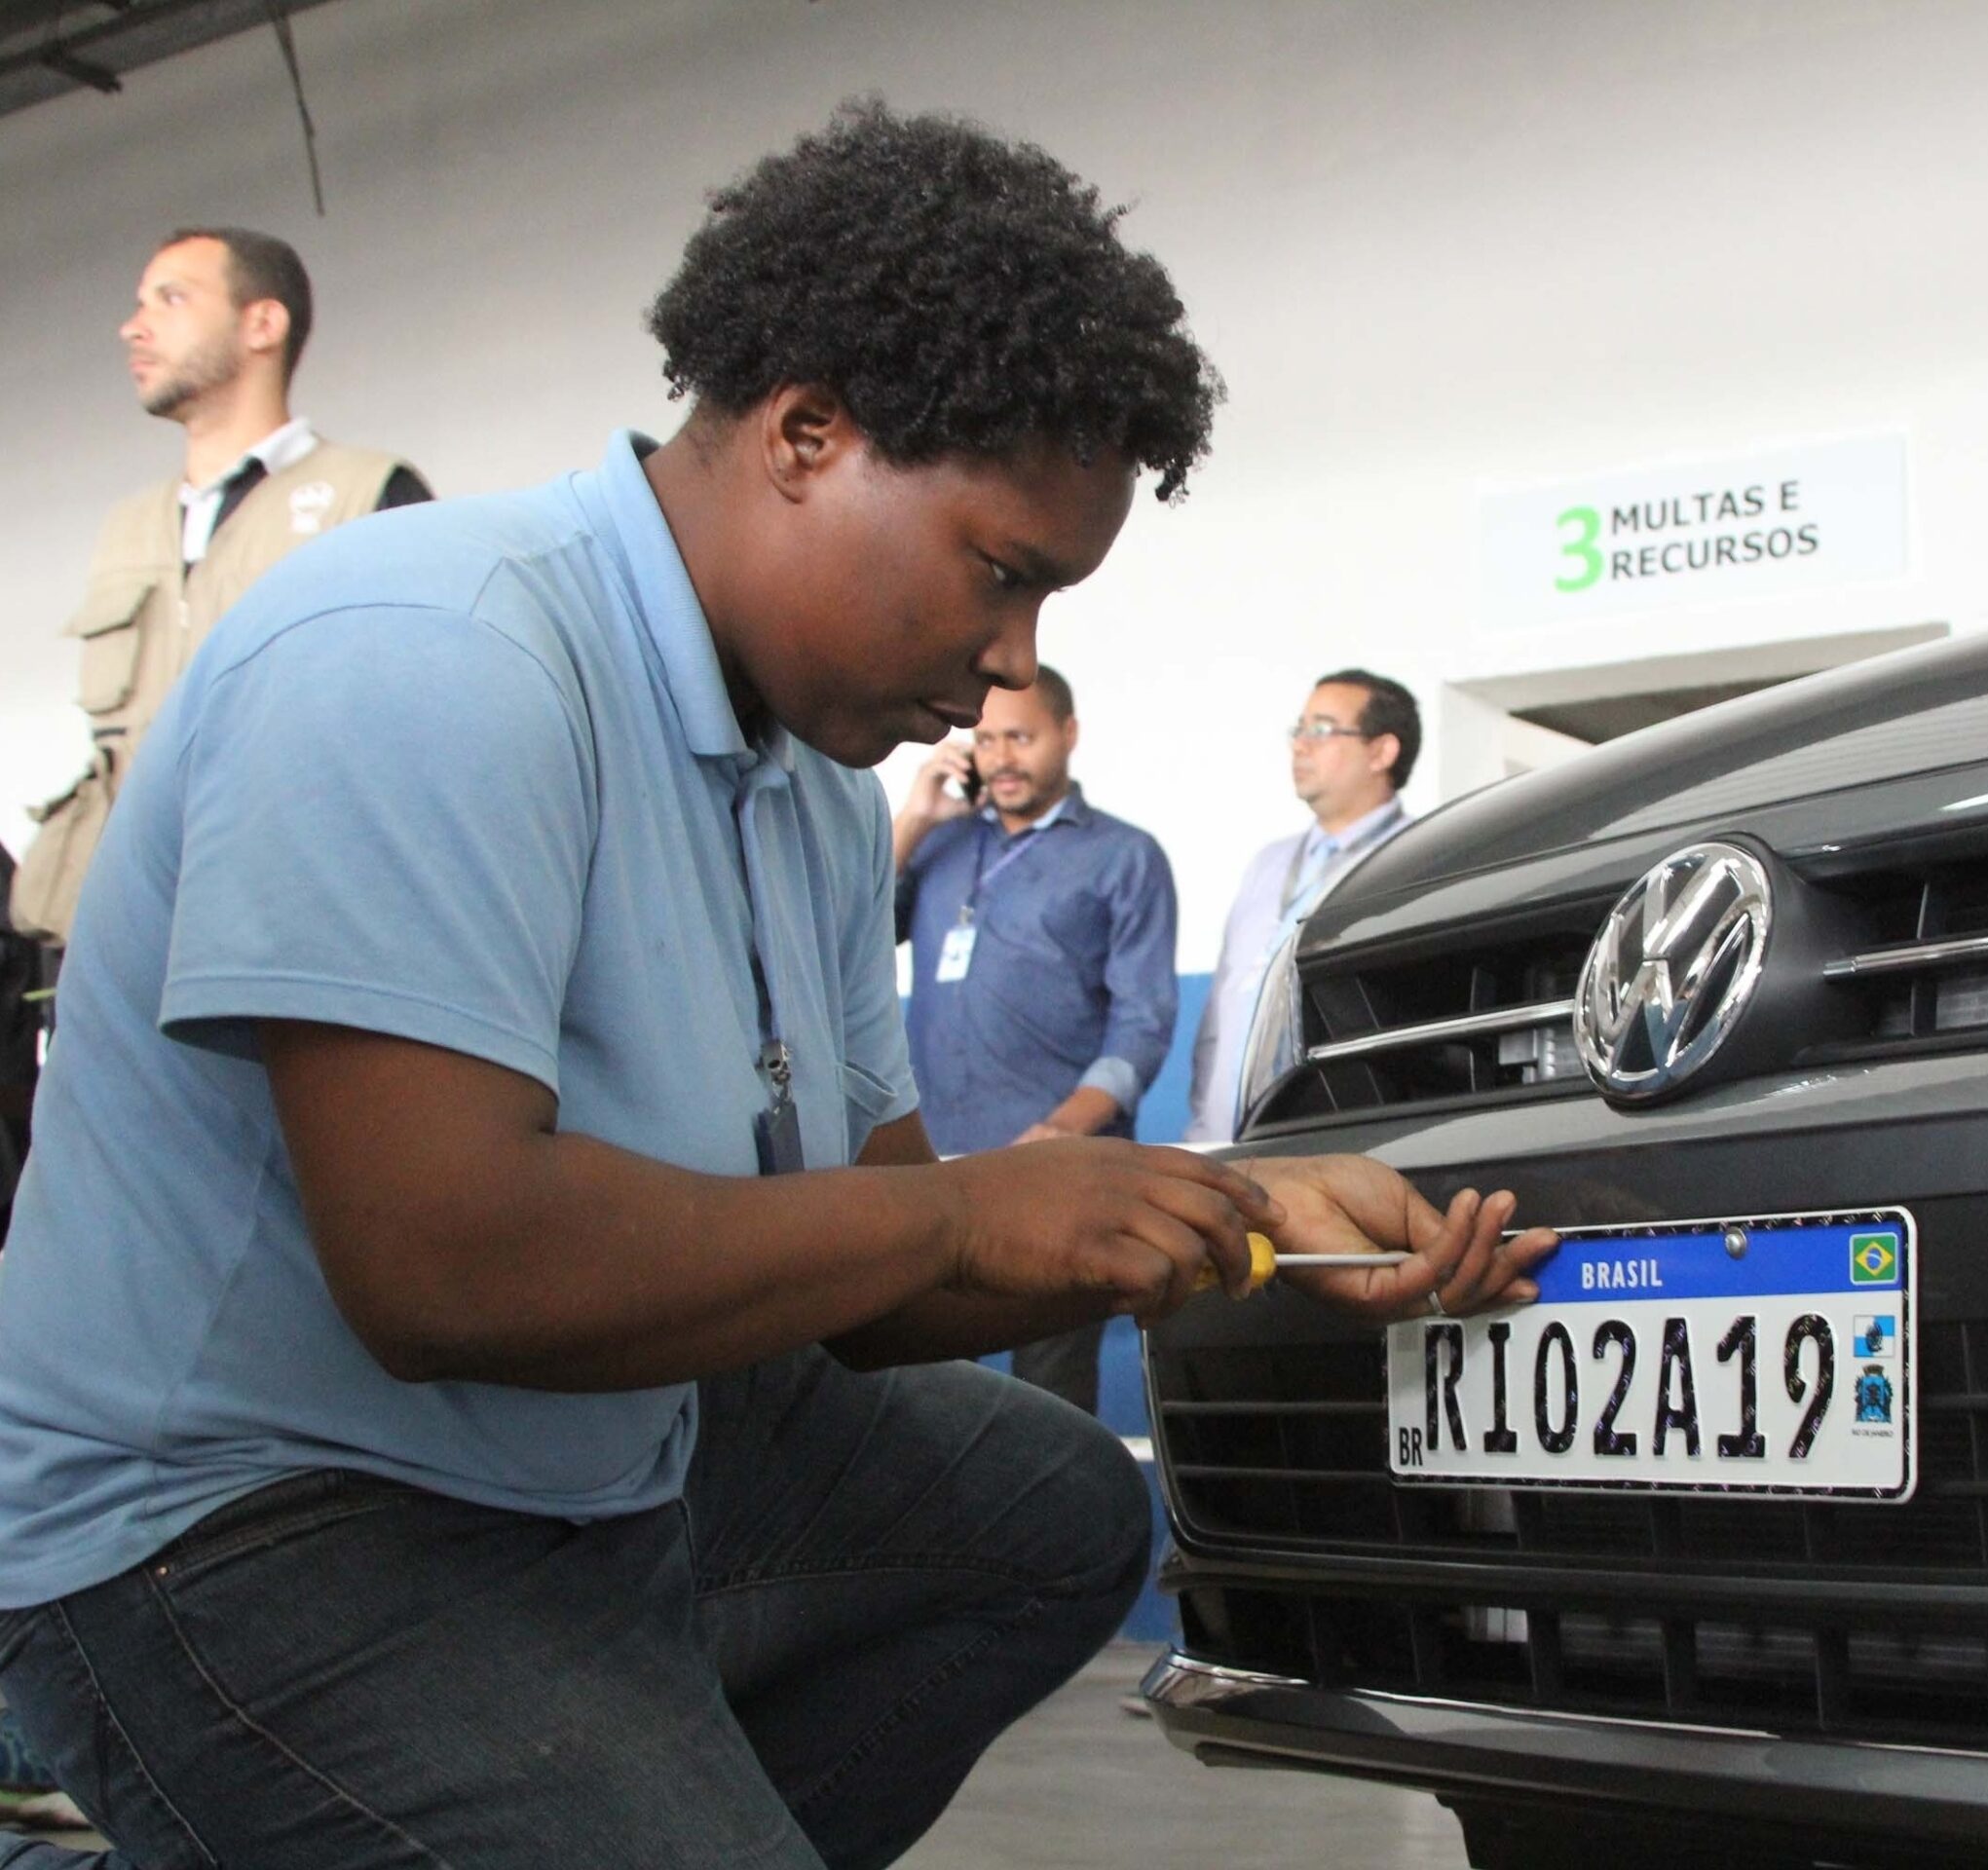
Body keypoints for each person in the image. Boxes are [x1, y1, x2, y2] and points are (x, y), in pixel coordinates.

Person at [0, 104, 1553, 1869]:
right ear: (807, 433)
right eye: (1003, 572)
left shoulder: (812, 798)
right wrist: (980, 1217)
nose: (1010, 667)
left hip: (584, 1469)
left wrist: (1231, 1210)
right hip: (244, 1522)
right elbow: (444, 1264)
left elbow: (870, 1274)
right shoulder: (429, 658)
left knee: (1046, 1509)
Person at [9, 227, 431, 950]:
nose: (133, 327)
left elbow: (428, 735)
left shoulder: (371, 495)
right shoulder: (126, 528)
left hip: (292, 938)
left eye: (170, 299)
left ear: (263, 324)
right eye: (138, 304)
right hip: (119, 944)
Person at [893, 667, 1179, 1414]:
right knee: (927, 1394)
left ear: (1068, 734)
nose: (1001, 757)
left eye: (1021, 736)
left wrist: (1064, 1128)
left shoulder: (1125, 855)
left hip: (1061, 1171)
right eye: (986, 739)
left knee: (1049, 1398)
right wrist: (914, 819)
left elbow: (1144, 1019)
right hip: (934, 1166)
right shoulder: (942, 847)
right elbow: (847, 931)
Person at [1185, 669, 1422, 1142]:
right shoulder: (1266, 864)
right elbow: (1219, 1016)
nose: (1300, 746)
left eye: (1322, 730)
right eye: (1300, 729)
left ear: (1381, 751)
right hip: (1220, 1143)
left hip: (1334, 1141)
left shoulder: (1414, 859)